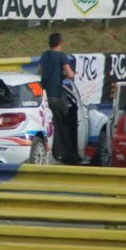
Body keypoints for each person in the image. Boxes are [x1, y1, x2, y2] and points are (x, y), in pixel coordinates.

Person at [39, 32, 77, 163]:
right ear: (60, 43)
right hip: (57, 96)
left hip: (44, 97)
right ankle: (66, 153)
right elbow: (70, 74)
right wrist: (70, 74)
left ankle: (53, 151)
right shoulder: (61, 56)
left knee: (51, 124)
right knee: (64, 125)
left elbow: (40, 72)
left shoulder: (44, 55)